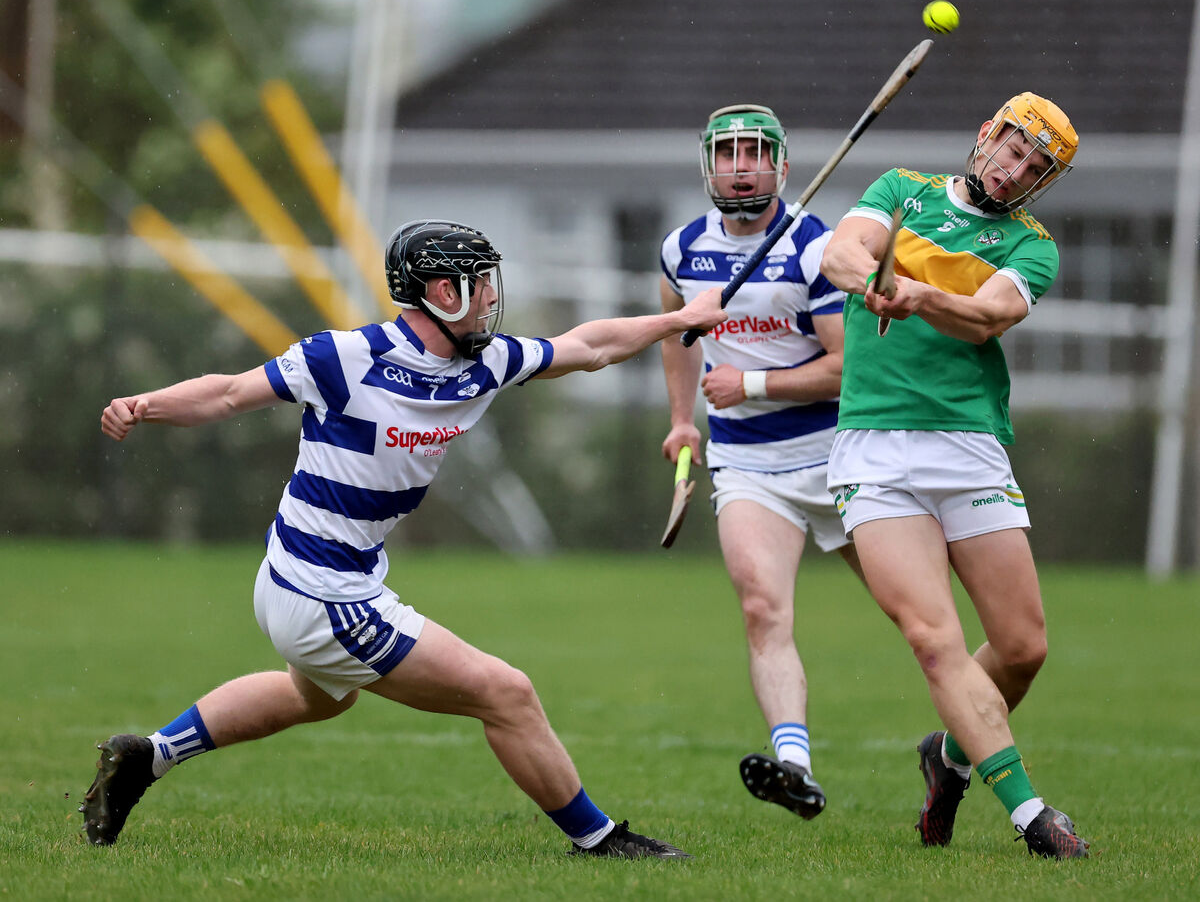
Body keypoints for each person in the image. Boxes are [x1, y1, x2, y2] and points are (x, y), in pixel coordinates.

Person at [82, 219, 727, 857]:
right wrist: (144, 405)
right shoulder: (341, 358)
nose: (493, 296)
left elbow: (590, 347)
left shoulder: (485, 363)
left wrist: (679, 319)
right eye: (481, 283)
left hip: (312, 582)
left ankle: (149, 756)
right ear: (444, 294)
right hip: (321, 594)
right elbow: (225, 395)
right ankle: (600, 840)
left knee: (316, 699)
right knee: (507, 693)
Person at [818, 92, 1089, 859]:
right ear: (984, 135)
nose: (1013, 173)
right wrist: (866, 270)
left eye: (1034, 169)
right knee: (935, 639)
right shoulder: (901, 189)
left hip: (968, 444)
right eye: (1010, 151)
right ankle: (1032, 815)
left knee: (1022, 648)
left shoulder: (1032, 247)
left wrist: (916, 294)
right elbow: (842, 253)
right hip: (874, 449)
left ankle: (950, 757)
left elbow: (990, 316)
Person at [658, 104, 863, 821]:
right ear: (707, 164)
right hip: (747, 463)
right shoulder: (682, 250)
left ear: (780, 165)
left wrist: (748, 383)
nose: (739, 166)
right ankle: (794, 767)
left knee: (920, 623)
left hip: (839, 458)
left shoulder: (816, 249)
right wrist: (684, 421)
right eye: (726, 153)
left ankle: (964, 758)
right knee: (761, 608)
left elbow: (847, 370)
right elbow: (678, 338)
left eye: (753, 153)